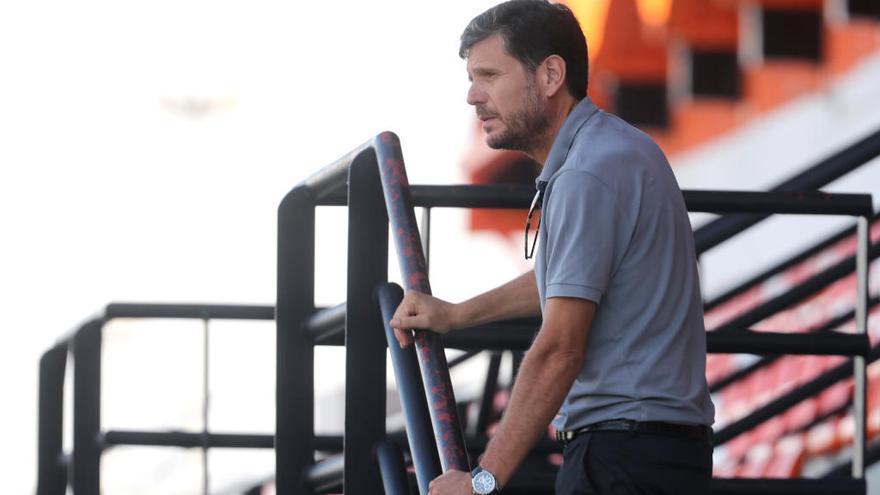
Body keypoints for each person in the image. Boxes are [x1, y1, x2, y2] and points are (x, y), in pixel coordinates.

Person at [389, 1, 715, 493]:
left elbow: (561, 347)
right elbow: (566, 276)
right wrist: (456, 315)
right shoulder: (607, 150)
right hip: (648, 453)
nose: (473, 96)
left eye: (490, 75)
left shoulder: (588, 172)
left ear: (549, 76)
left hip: (624, 459)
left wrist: (481, 480)